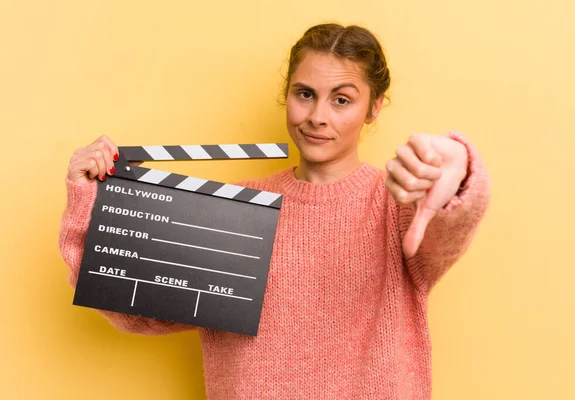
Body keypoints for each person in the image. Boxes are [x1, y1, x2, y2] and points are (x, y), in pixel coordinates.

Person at [59, 23, 491, 399]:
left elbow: (451, 225)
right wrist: (85, 199)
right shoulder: (231, 210)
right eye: (305, 94)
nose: (318, 116)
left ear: (374, 107)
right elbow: (133, 310)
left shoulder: (398, 204)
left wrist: (459, 171)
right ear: (287, 96)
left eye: (342, 100)